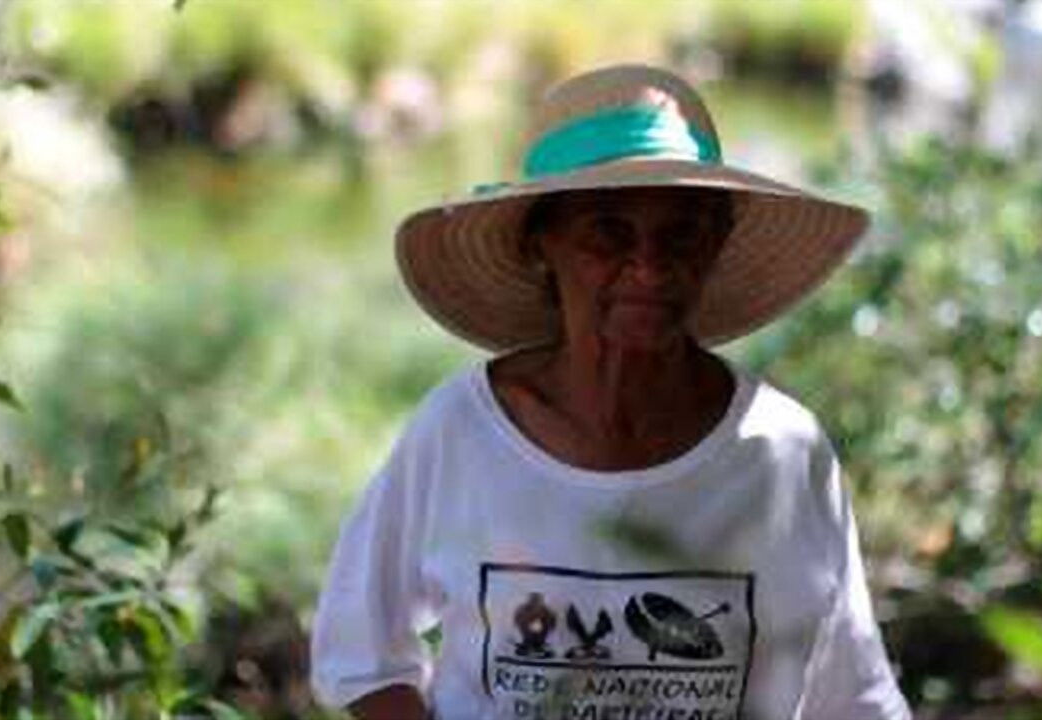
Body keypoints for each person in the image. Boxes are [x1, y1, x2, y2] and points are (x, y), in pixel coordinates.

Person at [310, 64, 911, 720]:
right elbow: (359, 653)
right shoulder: (461, 432)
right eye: (608, 232)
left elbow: (854, 698)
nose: (649, 267)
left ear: (715, 243)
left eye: (681, 233)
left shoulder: (782, 453)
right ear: (542, 245)